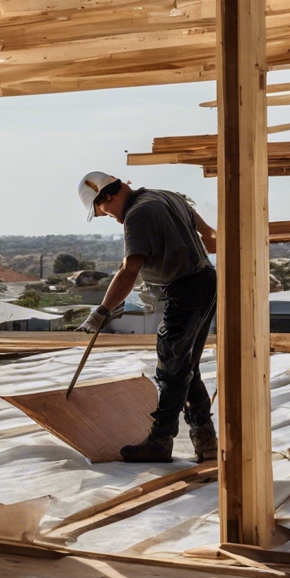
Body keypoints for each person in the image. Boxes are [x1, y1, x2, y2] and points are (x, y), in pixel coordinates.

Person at [76, 171, 218, 463]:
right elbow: (210, 237)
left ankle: (160, 440)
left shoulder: (137, 214)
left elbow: (129, 270)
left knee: (171, 367)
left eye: (104, 212)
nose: (113, 219)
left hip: (186, 290)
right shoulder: (167, 195)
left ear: (108, 197)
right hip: (206, 282)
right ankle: (206, 441)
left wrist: (102, 311)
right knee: (185, 366)